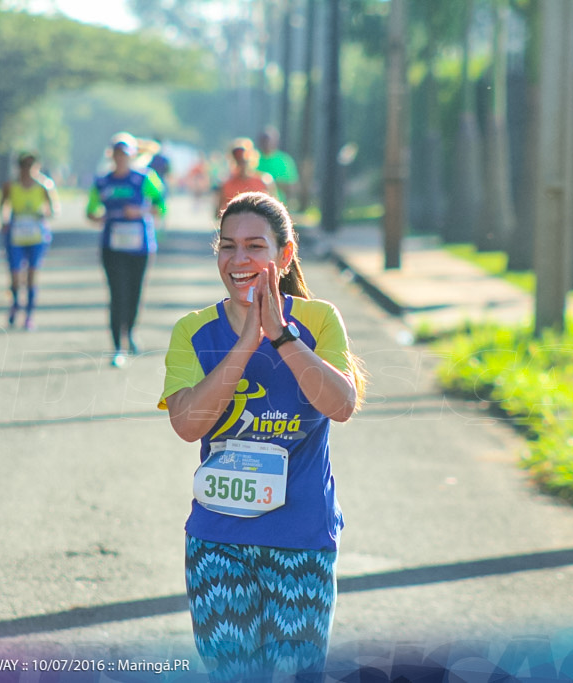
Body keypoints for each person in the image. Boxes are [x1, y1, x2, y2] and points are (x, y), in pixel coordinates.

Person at [159, 192, 366, 681]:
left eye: (255, 246)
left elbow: (340, 406)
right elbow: (188, 425)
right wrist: (246, 342)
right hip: (218, 538)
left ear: (284, 255)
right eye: (227, 247)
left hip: (302, 535)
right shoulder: (194, 331)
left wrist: (282, 336)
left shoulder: (317, 320)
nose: (239, 260)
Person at [86, 132, 166, 367]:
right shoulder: (102, 181)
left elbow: (160, 206)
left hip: (140, 246)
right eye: (118, 154)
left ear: (132, 155)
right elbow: (90, 210)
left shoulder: (145, 179)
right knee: (116, 294)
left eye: (126, 154)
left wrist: (140, 212)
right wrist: (98, 216)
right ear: (112, 156)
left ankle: (129, 331)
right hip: (112, 247)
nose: (121, 158)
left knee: (134, 293)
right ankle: (117, 347)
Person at [0, 151, 58, 331]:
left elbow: (53, 210)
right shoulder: (10, 186)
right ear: (19, 167)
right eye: (24, 165)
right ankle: (15, 305)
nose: (27, 170)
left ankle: (29, 315)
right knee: (16, 276)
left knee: (32, 275)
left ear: (37, 167)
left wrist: (43, 214)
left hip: (36, 235)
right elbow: (2, 206)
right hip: (16, 234)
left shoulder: (44, 186)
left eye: (31, 166)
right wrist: (5, 222)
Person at [216, 138, 276, 217]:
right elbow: (218, 213)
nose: (242, 164)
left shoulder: (264, 181)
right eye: (238, 160)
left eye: (244, 160)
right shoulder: (226, 184)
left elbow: (274, 211)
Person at [256, 126, 299, 205]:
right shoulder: (253, 158)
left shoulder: (284, 160)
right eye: (264, 140)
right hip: (254, 203)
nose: (267, 143)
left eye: (269, 140)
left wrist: (271, 183)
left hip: (276, 204)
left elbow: (291, 186)